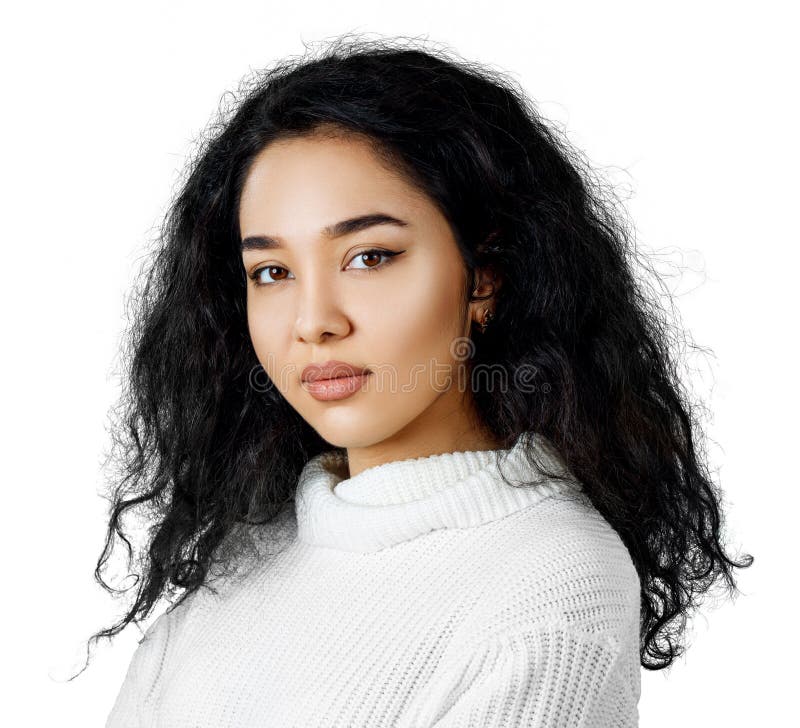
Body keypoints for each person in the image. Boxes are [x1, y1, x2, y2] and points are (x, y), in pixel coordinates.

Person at [85, 36, 752, 727]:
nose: (314, 322)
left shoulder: (549, 591)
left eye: (370, 257)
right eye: (272, 272)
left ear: (484, 274)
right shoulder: (251, 553)